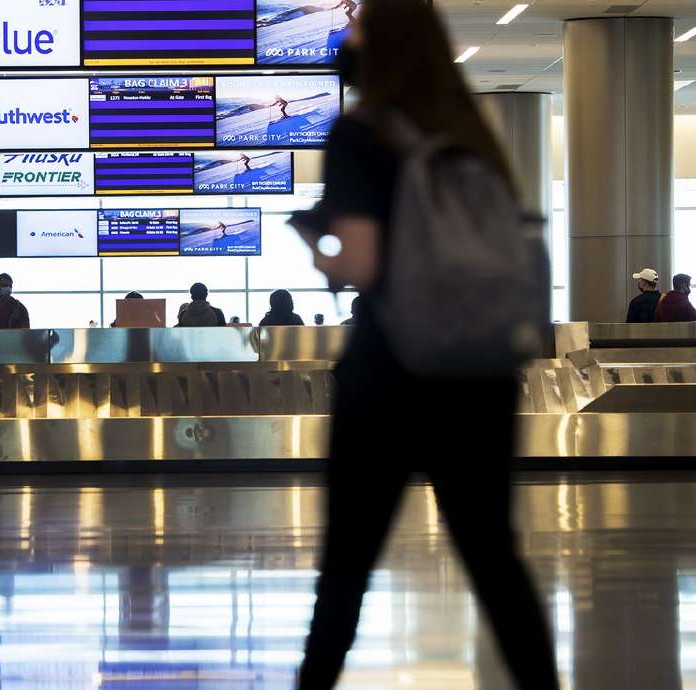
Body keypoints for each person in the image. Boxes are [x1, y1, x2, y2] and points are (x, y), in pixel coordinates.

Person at [294, 2, 558, 689]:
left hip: (390, 371)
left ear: (377, 48)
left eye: (355, 30)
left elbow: (358, 262)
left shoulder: (360, 133)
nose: (344, 40)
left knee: (346, 567)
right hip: (480, 371)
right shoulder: (472, 134)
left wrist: (316, 243)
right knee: (495, 560)